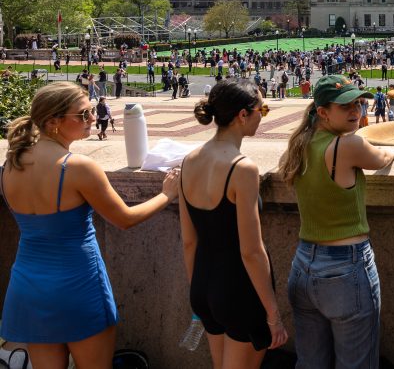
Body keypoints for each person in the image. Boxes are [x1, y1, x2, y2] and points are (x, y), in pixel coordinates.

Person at [0, 81, 179, 368]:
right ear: (53, 122)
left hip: (28, 285)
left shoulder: (12, 163)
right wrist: (166, 194)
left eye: (91, 111)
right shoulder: (77, 167)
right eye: (83, 114)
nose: (93, 118)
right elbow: (125, 219)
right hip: (77, 284)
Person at [278, 75, 394, 368]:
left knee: (310, 363)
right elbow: (383, 156)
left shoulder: (301, 145)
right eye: (346, 106)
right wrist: (391, 150)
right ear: (323, 112)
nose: (356, 110)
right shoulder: (348, 145)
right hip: (346, 268)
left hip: (303, 265)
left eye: (358, 103)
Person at [179, 80, 287, 367]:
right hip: (239, 291)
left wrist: (199, 292)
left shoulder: (189, 160)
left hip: (204, 285)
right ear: (243, 115)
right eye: (262, 108)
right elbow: (251, 251)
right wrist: (273, 314)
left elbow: (189, 241)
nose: (263, 114)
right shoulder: (242, 168)